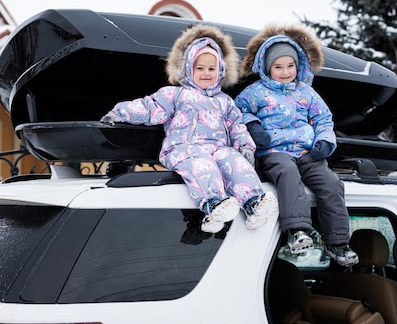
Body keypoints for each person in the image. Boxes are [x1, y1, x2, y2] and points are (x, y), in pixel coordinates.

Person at [101, 24, 277, 233]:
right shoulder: (175, 95)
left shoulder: (225, 102)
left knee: (233, 161)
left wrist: (245, 147)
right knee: (203, 164)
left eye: (211, 69)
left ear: (220, 71)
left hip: (217, 148)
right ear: (188, 69)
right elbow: (149, 107)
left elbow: (237, 126)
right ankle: (213, 203)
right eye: (199, 68)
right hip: (184, 147)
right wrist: (120, 112)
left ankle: (253, 203)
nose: (206, 73)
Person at [234, 23, 358, 267]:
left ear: (298, 65)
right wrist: (253, 127)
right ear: (267, 67)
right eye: (278, 66)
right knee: (288, 174)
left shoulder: (307, 92)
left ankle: (337, 242)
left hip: (306, 152)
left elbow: (324, 119)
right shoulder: (255, 92)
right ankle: (297, 231)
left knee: (331, 183)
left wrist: (324, 141)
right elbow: (237, 112)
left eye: (290, 65)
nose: (285, 71)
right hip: (274, 151)